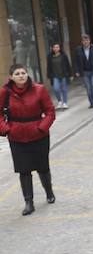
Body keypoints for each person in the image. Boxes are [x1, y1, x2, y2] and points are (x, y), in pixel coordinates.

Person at [0, 64, 56, 215]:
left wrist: (42, 127)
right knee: (23, 170)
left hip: (39, 134)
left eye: (23, 72)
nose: (21, 75)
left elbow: (50, 111)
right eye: (17, 73)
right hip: (17, 136)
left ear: (27, 74)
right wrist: (6, 129)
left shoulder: (39, 89)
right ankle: (28, 202)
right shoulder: (5, 93)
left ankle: (49, 191)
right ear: (11, 77)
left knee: (42, 167)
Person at [73, 34, 93, 108]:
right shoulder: (78, 50)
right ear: (82, 42)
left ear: (89, 41)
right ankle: (92, 103)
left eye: (87, 40)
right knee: (88, 89)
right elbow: (76, 61)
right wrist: (76, 71)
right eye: (84, 41)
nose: (85, 42)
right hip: (85, 72)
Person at [46, 43, 72, 109]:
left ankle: (65, 103)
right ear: (52, 48)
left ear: (59, 48)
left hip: (63, 75)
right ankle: (60, 101)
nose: (56, 48)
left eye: (57, 47)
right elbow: (48, 66)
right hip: (55, 76)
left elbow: (68, 65)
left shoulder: (63, 55)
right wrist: (49, 75)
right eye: (54, 47)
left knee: (64, 89)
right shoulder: (50, 56)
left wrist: (70, 74)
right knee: (56, 88)